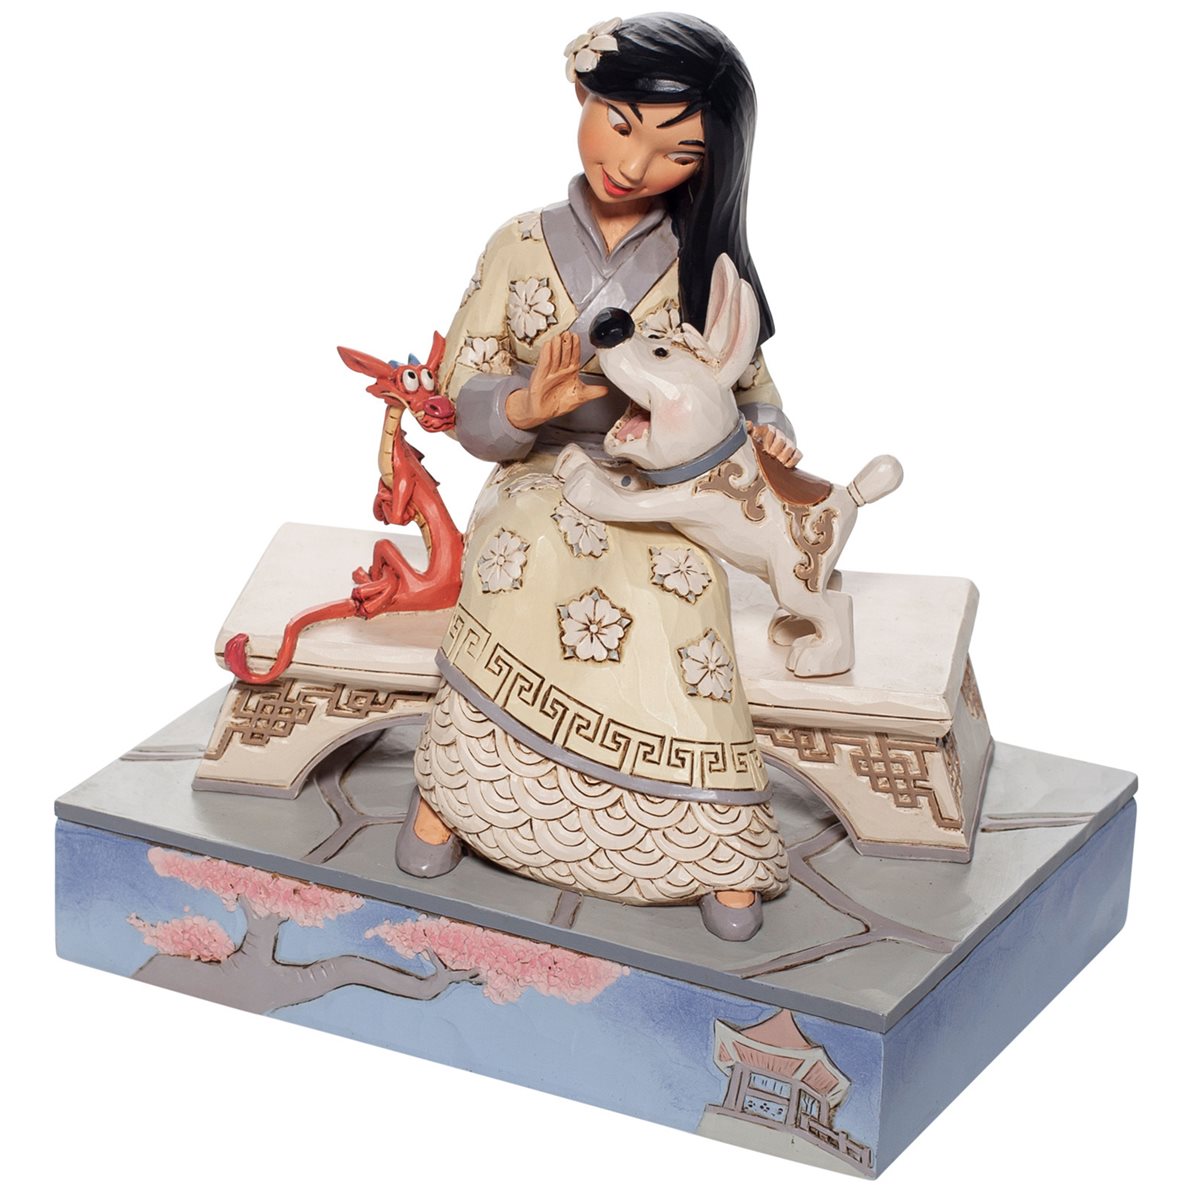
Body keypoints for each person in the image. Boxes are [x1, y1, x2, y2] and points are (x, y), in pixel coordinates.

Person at [397, 14, 796, 940]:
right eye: (620, 124)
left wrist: (768, 437)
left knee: (682, 584)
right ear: (581, 96)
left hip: (663, 486)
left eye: (678, 152)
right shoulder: (518, 243)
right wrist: (523, 406)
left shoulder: (700, 260)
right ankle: (458, 789)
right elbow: (462, 380)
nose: (635, 164)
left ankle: (707, 833)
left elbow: (753, 390)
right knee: (526, 555)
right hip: (537, 471)